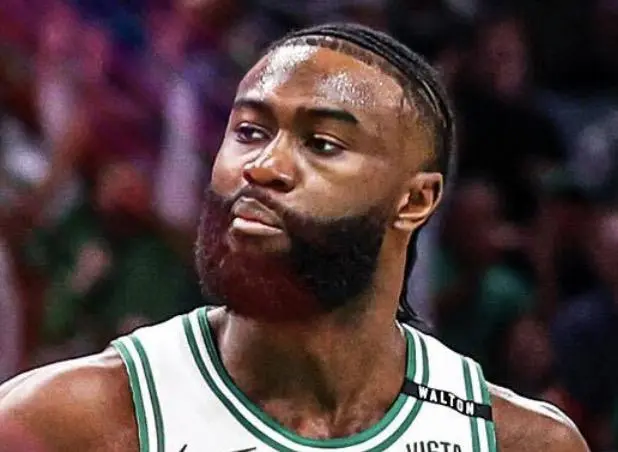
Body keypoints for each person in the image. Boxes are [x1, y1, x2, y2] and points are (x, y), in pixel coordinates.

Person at [0, 23, 588, 451]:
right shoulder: (67, 423)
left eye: (322, 143)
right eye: (249, 131)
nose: (263, 167)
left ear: (415, 201)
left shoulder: (519, 442)